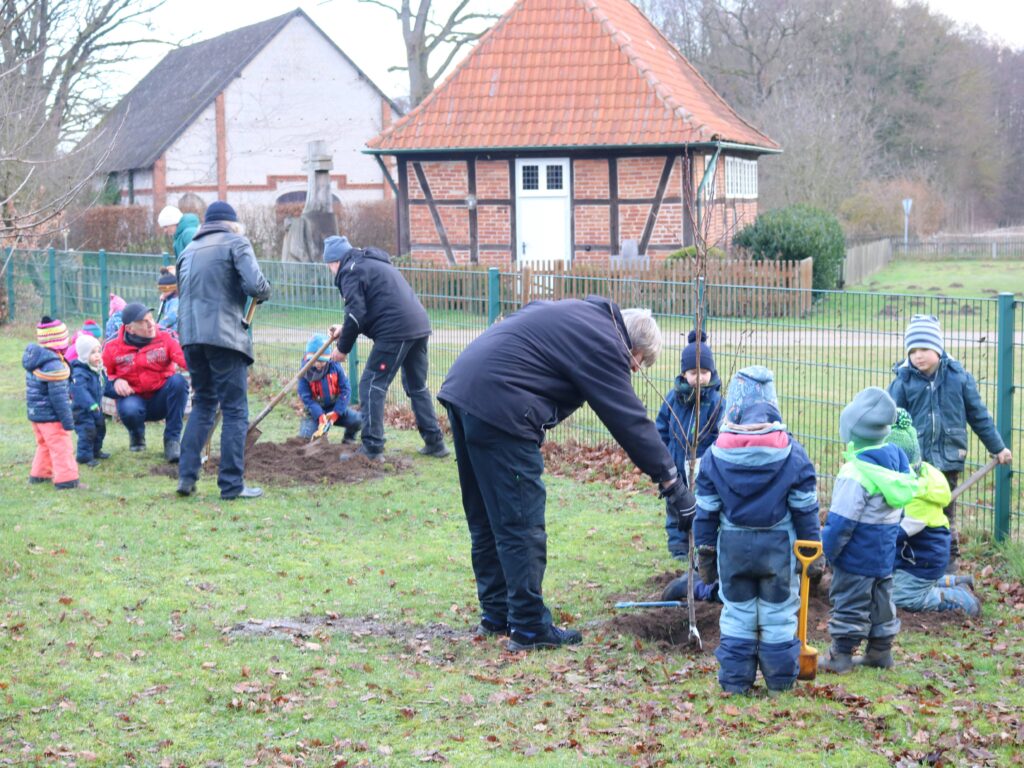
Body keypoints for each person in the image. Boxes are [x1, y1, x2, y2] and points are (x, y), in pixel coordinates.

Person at [437, 297, 696, 651]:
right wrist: (671, 482)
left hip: (464, 389)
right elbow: (629, 419)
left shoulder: (583, 317)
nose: (634, 370)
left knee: (486, 515)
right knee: (520, 520)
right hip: (503, 406)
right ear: (633, 348)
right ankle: (528, 628)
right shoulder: (605, 343)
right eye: (638, 363)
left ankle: (496, 614)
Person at [693, 366, 820, 695]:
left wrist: (705, 552)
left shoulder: (713, 458)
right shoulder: (792, 454)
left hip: (733, 549)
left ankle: (736, 683)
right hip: (777, 548)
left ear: (731, 408)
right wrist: (813, 549)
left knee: (737, 614)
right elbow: (805, 507)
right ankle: (780, 683)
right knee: (778, 616)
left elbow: (706, 511)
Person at [888, 314, 1012, 573]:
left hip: (948, 460)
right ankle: (912, 560)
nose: (918, 356)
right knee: (914, 512)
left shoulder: (959, 378)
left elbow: (978, 415)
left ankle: (948, 564)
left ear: (938, 348)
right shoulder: (903, 380)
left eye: (924, 349)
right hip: (916, 463)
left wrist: (997, 447)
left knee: (945, 514)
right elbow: (890, 420)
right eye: (912, 350)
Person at [176, 200, 271, 500]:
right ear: (233, 223)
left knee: (203, 403)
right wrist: (265, 289)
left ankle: (186, 476)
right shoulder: (236, 242)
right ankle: (231, 485)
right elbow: (256, 286)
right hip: (224, 337)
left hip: (190, 337)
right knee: (234, 410)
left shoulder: (188, 250)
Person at [819, 387, 918, 674]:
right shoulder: (898, 463)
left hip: (856, 552)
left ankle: (841, 656)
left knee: (849, 600)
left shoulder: (856, 472)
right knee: (881, 600)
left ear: (852, 431)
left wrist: (828, 552)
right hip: (884, 550)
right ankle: (880, 652)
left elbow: (840, 522)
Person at [323, 235, 447, 462]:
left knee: (371, 384)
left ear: (333, 262)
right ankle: (435, 442)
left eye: (329, 266)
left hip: (396, 330)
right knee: (415, 385)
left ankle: (372, 447)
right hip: (418, 325)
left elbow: (355, 313)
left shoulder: (350, 271)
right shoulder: (371, 263)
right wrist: (345, 328)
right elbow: (372, 306)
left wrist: (342, 348)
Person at [885, 409, 981, 616]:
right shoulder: (921, 474)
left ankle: (962, 600)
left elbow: (895, 533)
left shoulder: (915, 497)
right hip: (916, 556)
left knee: (900, 597)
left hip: (922, 560)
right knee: (889, 584)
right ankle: (953, 582)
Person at [657, 330, 724, 603]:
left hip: (705, 476)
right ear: (684, 374)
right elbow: (660, 430)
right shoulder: (673, 401)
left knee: (703, 515)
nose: (699, 377)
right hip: (678, 472)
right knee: (676, 512)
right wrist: (663, 461)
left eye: (705, 371)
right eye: (694, 372)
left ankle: (702, 559)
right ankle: (679, 549)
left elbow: (723, 437)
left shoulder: (717, 404)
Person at [102, 301, 189, 462]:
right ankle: (136, 434)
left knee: (178, 382)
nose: (151, 324)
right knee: (130, 408)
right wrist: (114, 383)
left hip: (162, 397)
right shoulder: (111, 346)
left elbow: (186, 360)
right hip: (132, 399)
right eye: (143, 322)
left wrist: (209, 371)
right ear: (129, 328)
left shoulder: (167, 337)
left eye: (151, 319)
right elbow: (102, 380)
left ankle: (172, 441)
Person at [23, 317, 79, 489]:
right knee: (61, 446)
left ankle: (39, 474)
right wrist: (67, 421)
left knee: (45, 444)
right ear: (59, 341)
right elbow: (59, 398)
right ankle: (66, 480)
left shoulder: (37, 360)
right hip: (51, 416)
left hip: (36, 414)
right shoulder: (55, 366)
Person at [297, 333, 362, 443]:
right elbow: (306, 398)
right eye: (314, 360)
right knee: (305, 439)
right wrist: (319, 414)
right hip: (314, 412)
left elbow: (346, 390)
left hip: (335, 408)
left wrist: (337, 412)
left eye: (321, 361)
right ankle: (319, 435)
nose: (318, 364)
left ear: (328, 359)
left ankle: (348, 441)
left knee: (358, 420)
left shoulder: (335, 367)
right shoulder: (304, 372)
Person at [70, 334, 109, 467]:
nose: (97, 355)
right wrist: (91, 404)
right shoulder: (79, 373)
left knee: (100, 429)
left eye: (99, 351)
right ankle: (84, 456)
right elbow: (80, 392)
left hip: (96, 409)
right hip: (83, 410)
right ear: (84, 355)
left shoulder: (97, 370)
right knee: (87, 431)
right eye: (93, 353)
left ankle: (95, 451)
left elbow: (104, 385)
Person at [156, 266, 179, 332]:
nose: (163, 294)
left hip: (175, 333)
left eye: (165, 291)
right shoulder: (169, 299)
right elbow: (165, 311)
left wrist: (158, 327)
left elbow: (171, 318)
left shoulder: (177, 301)